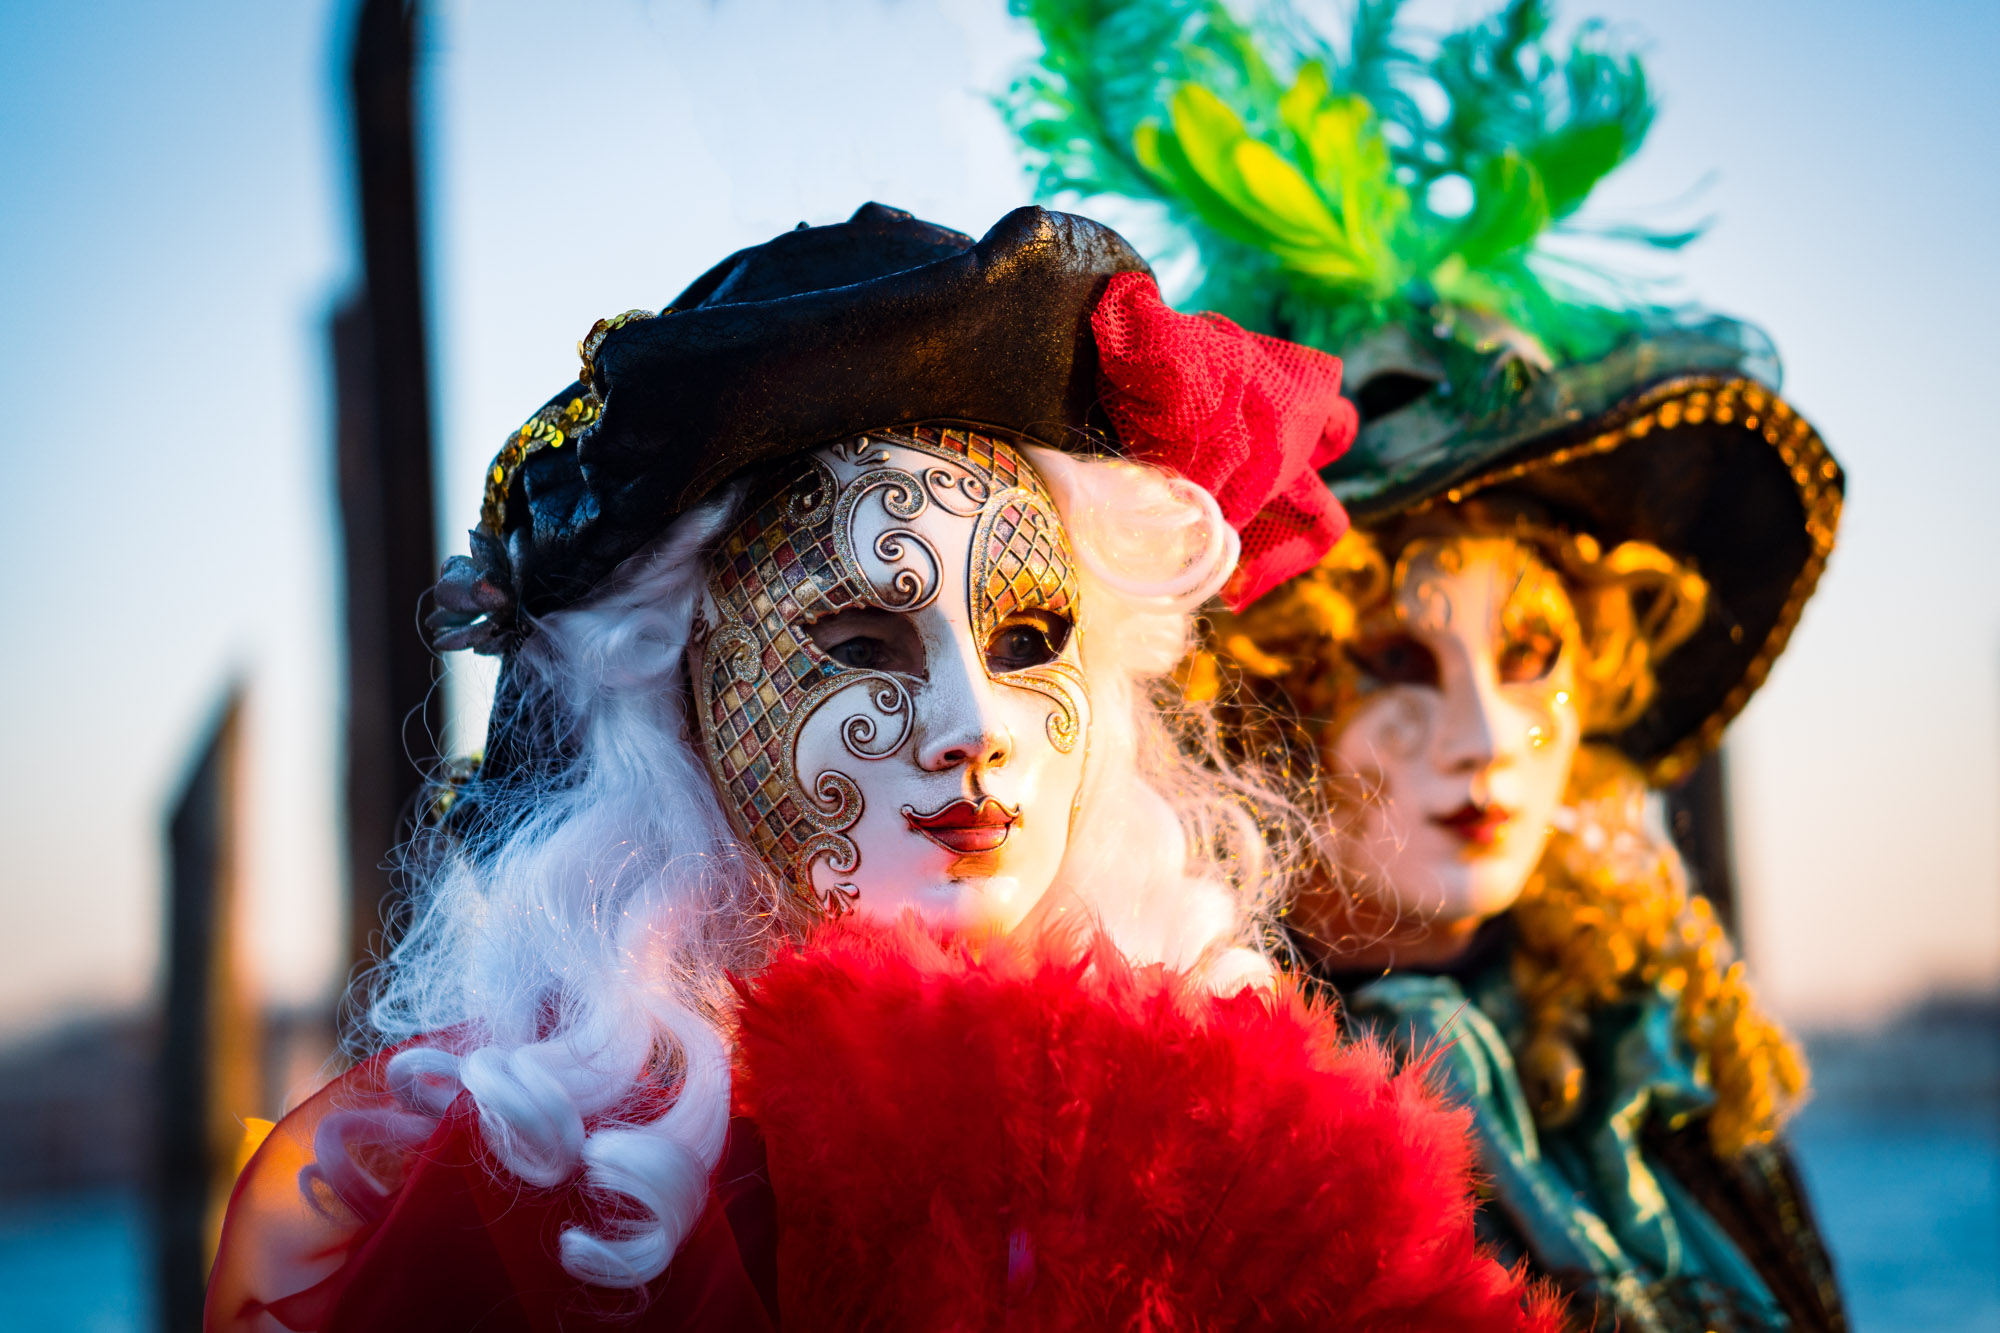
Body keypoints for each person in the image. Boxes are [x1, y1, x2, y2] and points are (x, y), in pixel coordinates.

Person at [205, 203, 1558, 1332]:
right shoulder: (544, 1204)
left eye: (1031, 638)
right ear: (676, 697)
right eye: (856, 638)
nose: (971, 722)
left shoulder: (1206, 1147)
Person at [1010, 1, 1848, 1329]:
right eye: (1396, 663)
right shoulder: (1193, 1122)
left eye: (1532, 658)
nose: (1480, 736)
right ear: (1263, 697)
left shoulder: (1644, 1072)